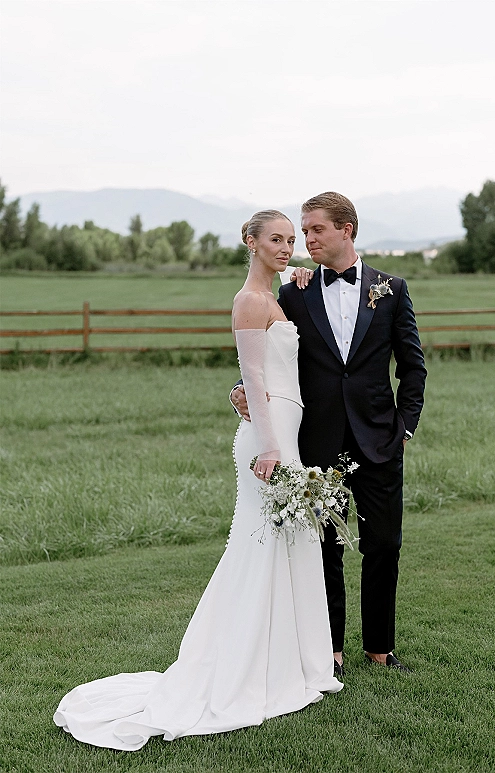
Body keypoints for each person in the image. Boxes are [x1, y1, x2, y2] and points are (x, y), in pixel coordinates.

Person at [53, 210, 342, 751]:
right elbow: (253, 375)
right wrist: (270, 445)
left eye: (289, 240)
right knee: (257, 548)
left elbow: (276, 358)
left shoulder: (278, 294)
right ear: (250, 243)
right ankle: (242, 670)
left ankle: (286, 664)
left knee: (287, 544)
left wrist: (301, 275)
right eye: (275, 240)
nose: (286, 247)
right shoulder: (249, 301)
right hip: (269, 439)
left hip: (287, 431)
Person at [232, 192, 427, 675]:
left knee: (384, 544)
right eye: (302, 231)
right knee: (324, 548)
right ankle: (330, 650)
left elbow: (413, 367)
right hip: (317, 443)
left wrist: (404, 427)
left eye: (316, 230)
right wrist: (239, 388)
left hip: (380, 439)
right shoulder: (294, 292)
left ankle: (380, 647)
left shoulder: (392, 289)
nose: (307, 241)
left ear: (347, 230)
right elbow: (268, 357)